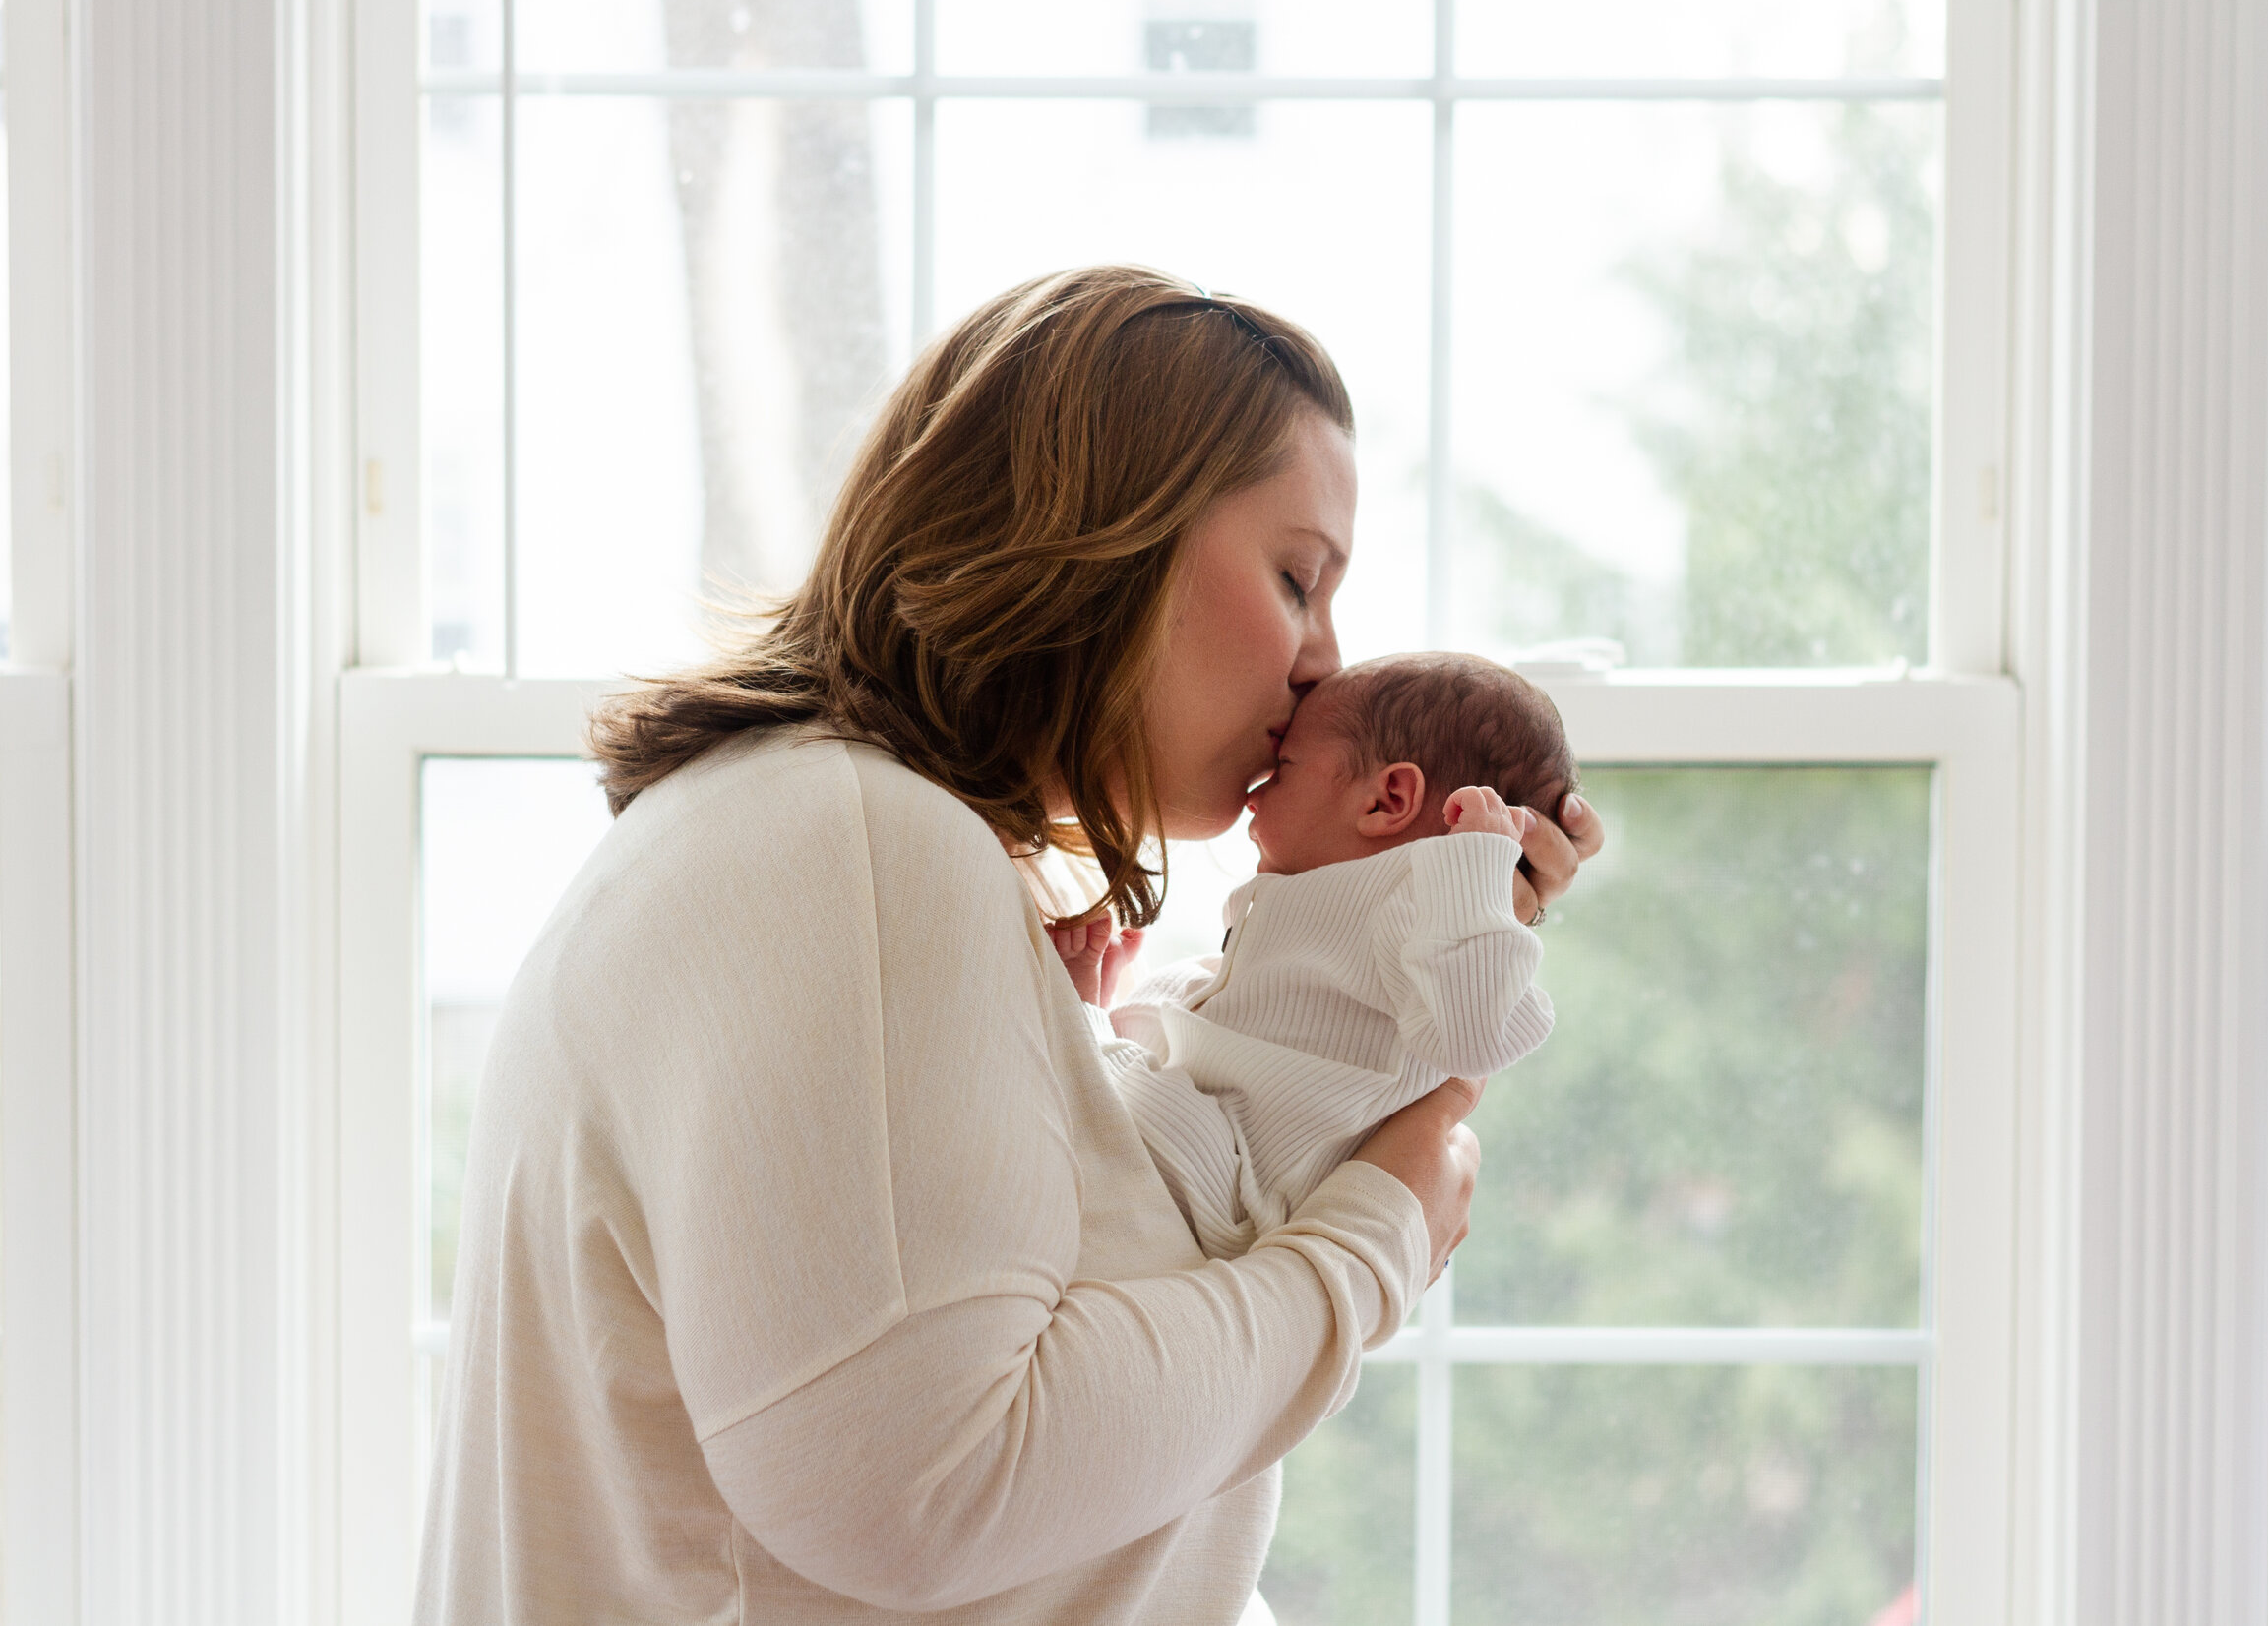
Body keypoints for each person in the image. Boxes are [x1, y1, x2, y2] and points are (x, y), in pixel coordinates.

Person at [412, 263, 1603, 1624]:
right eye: (1294, 576)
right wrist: (1377, 1235)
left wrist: (1415, 956)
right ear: (1109, 533)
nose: (1324, 663)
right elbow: (931, 1489)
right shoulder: (852, 841)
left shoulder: (835, 838)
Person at [1053, 651, 1577, 1261]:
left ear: (1388, 799)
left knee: (1125, 1088)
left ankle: (1082, 1020)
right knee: (1172, 997)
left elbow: (1473, 1037)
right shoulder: (1361, 898)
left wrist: (1477, 870)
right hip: (1217, 1137)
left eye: (1282, 769)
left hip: (1235, 1185)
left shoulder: (1426, 899)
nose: (1254, 796)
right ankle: (1095, 1022)